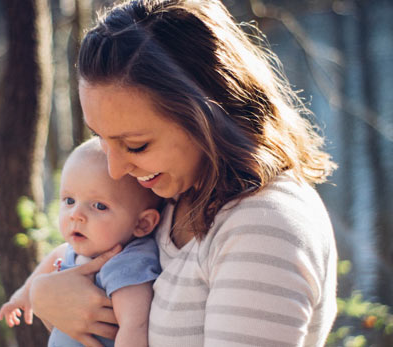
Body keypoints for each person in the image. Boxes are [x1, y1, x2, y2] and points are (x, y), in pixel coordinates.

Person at [29, 0, 339, 346]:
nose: (115, 171)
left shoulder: (264, 225)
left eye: (136, 145)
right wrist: (46, 293)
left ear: (207, 117)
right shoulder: (174, 197)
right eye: (101, 138)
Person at [0, 138, 162, 347]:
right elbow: (57, 254)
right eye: (69, 201)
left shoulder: (127, 263)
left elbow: (134, 327)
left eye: (99, 206)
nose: (76, 215)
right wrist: (23, 295)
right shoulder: (77, 250)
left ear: (142, 223)